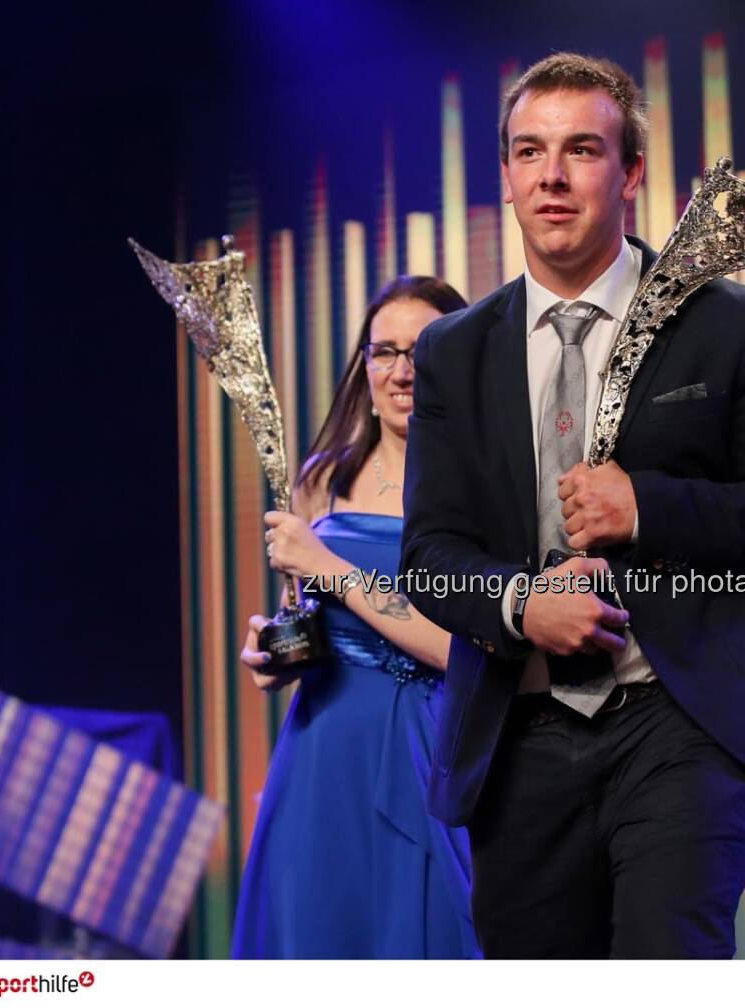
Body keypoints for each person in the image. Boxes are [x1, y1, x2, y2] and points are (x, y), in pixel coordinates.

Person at [400, 52, 745, 958]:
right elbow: (430, 556)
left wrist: (648, 505)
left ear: (631, 170)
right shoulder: (455, 349)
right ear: (508, 174)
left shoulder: (728, 323)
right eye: (529, 152)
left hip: (680, 720)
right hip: (516, 733)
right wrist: (524, 605)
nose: (552, 177)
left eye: (581, 151)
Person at [230, 276, 479, 959]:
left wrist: (331, 569)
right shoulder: (323, 478)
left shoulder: (482, 491)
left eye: (421, 352)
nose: (401, 372)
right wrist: (273, 651)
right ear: (363, 365)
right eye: (383, 352)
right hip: (321, 746)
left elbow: (462, 648)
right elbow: (311, 615)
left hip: (428, 747)